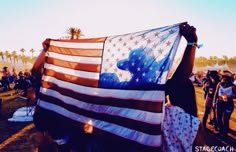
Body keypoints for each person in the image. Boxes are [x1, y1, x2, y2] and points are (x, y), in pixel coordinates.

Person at [32, 22, 203, 152]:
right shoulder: (151, 91)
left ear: (128, 67)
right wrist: (191, 44)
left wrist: (46, 52)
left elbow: (39, 75)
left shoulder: (115, 88)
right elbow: (180, 79)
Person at [213, 70, 236, 135]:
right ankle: (221, 131)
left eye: (225, 78)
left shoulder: (233, 86)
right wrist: (214, 103)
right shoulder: (219, 84)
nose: (223, 79)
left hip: (228, 104)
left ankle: (225, 132)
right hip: (219, 103)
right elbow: (216, 94)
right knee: (218, 118)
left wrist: (230, 97)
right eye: (223, 77)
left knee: (225, 119)